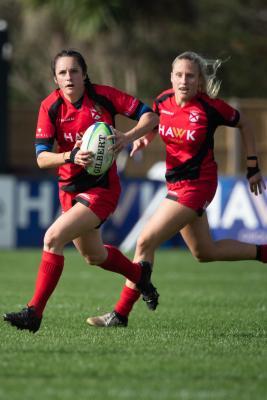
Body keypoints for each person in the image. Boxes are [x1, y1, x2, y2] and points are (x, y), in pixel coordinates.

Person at [86, 51, 267, 328]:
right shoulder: (162, 101)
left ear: (199, 81)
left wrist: (252, 165)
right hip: (176, 183)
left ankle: (120, 314)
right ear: (171, 77)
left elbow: (245, 123)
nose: (184, 80)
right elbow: (154, 123)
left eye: (190, 75)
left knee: (145, 240)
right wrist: (145, 139)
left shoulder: (210, 108)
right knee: (204, 252)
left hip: (199, 185)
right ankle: (264, 253)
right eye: (179, 75)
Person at [3, 49, 160, 333]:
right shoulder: (50, 106)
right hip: (69, 188)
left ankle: (34, 313)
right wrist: (70, 156)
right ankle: (140, 275)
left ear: (84, 74)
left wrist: (127, 136)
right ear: (55, 78)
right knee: (94, 256)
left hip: (102, 188)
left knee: (52, 238)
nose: (69, 77)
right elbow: (41, 157)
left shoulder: (103, 96)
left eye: (74, 71)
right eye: (62, 72)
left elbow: (150, 116)